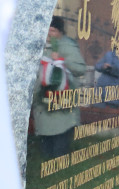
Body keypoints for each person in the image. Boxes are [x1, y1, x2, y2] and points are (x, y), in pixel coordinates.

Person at [33, 17, 86, 159]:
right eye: (47, 30)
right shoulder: (40, 46)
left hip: (61, 105)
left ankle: (59, 172)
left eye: (53, 30)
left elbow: (80, 69)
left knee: (59, 149)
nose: (50, 34)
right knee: (46, 151)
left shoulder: (67, 46)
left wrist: (61, 60)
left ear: (61, 32)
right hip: (44, 104)